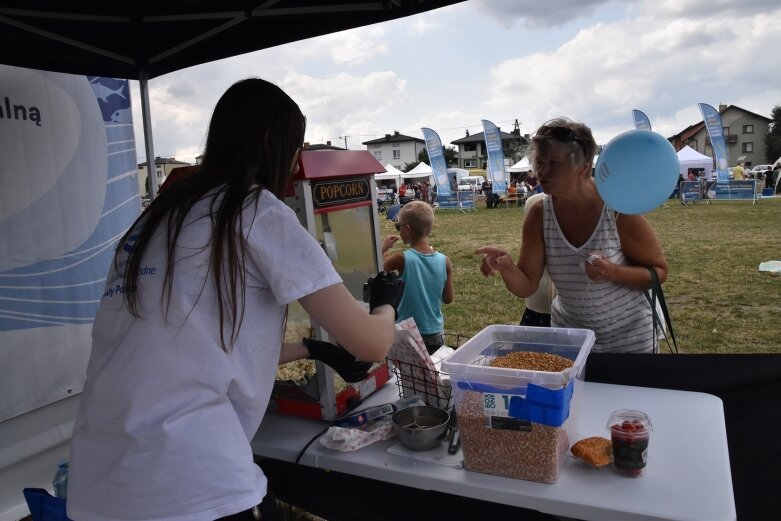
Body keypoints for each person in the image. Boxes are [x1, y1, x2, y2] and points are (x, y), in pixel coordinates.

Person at [66, 78, 404, 521]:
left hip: (97, 484)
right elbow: (372, 344)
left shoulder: (153, 220)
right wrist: (386, 301)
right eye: (294, 146)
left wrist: (311, 349)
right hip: (188, 484)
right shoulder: (255, 210)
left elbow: (184, 346)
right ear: (271, 142)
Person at [476, 117, 668, 353]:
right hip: (573, 342)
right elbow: (526, 286)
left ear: (584, 167)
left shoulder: (616, 208)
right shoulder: (540, 213)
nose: (542, 171)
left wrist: (612, 272)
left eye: (554, 163)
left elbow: (659, 273)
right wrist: (505, 266)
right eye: (539, 161)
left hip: (630, 342)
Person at [382, 201, 454, 354]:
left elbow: (376, 269)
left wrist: (383, 249)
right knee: (434, 373)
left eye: (398, 226)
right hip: (436, 331)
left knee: (409, 375)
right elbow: (448, 298)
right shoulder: (445, 261)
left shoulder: (401, 258)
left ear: (407, 229)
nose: (399, 230)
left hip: (407, 331)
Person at [518, 192, 556, 327]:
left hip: (580, 313)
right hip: (538, 307)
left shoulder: (603, 203)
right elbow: (525, 282)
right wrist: (506, 266)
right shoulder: (535, 204)